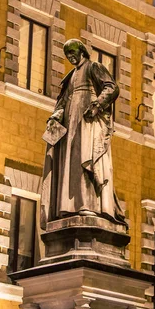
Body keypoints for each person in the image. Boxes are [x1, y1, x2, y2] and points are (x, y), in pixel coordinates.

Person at [40, 38, 126, 229]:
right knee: (70, 164)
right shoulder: (70, 77)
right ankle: (70, 205)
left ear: (82, 51)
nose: (70, 57)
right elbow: (62, 102)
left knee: (85, 160)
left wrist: (97, 104)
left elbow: (111, 87)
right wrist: (55, 117)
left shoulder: (93, 67)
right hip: (71, 124)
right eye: (67, 55)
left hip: (87, 121)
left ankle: (88, 204)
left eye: (72, 53)